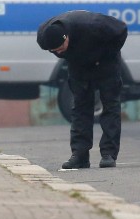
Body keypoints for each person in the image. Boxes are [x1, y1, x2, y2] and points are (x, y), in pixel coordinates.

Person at [36, 10, 128, 169]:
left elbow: (121, 30)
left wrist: (105, 55)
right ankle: (80, 155)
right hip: (78, 63)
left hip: (105, 61)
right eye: (54, 51)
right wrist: (69, 54)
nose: (58, 53)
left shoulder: (93, 26)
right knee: (79, 106)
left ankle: (108, 154)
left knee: (110, 105)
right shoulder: (44, 36)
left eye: (60, 48)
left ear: (67, 37)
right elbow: (58, 48)